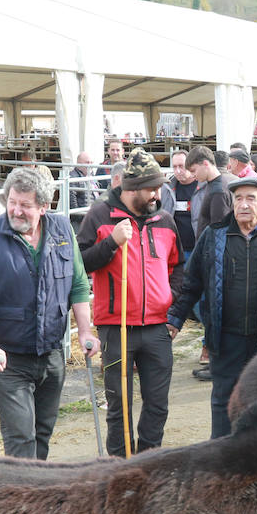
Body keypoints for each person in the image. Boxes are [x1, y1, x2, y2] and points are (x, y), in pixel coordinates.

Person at [0, 167, 100, 460]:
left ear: (44, 206)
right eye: (12, 201)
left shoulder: (62, 230)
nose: (15, 210)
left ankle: (35, 492)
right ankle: (20, 499)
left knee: (42, 432)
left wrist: (86, 330)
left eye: (25, 205)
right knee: (21, 437)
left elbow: (78, 283)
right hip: (9, 360)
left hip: (51, 354)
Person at [166, 174, 257, 438]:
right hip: (225, 337)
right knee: (224, 400)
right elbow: (193, 282)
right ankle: (220, 459)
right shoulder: (214, 237)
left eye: (251, 198)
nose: (244, 204)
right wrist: (175, 319)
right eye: (238, 198)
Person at [76, 148, 183, 456]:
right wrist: (111, 244)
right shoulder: (100, 215)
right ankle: (120, 470)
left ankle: (147, 466)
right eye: (151, 188)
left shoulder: (164, 219)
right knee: (119, 407)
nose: (156, 193)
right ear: (130, 188)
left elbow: (177, 268)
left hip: (156, 327)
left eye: (158, 187)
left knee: (157, 404)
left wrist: (170, 303)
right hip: (116, 326)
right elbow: (79, 263)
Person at [187, 145, 232, 240]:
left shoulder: (218, 191)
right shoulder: (214, 185)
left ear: (205, 164)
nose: (192, 175)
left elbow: (219, 233)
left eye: (193, 170)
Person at [68, 151, 99, 232]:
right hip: (81, 221)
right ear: (79, 163)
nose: (90, 165)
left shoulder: (91, 176)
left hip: (92, 218)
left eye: (91, 162)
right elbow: (72, 204)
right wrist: (84, 217)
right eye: (87, 162)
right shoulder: (73, 178)